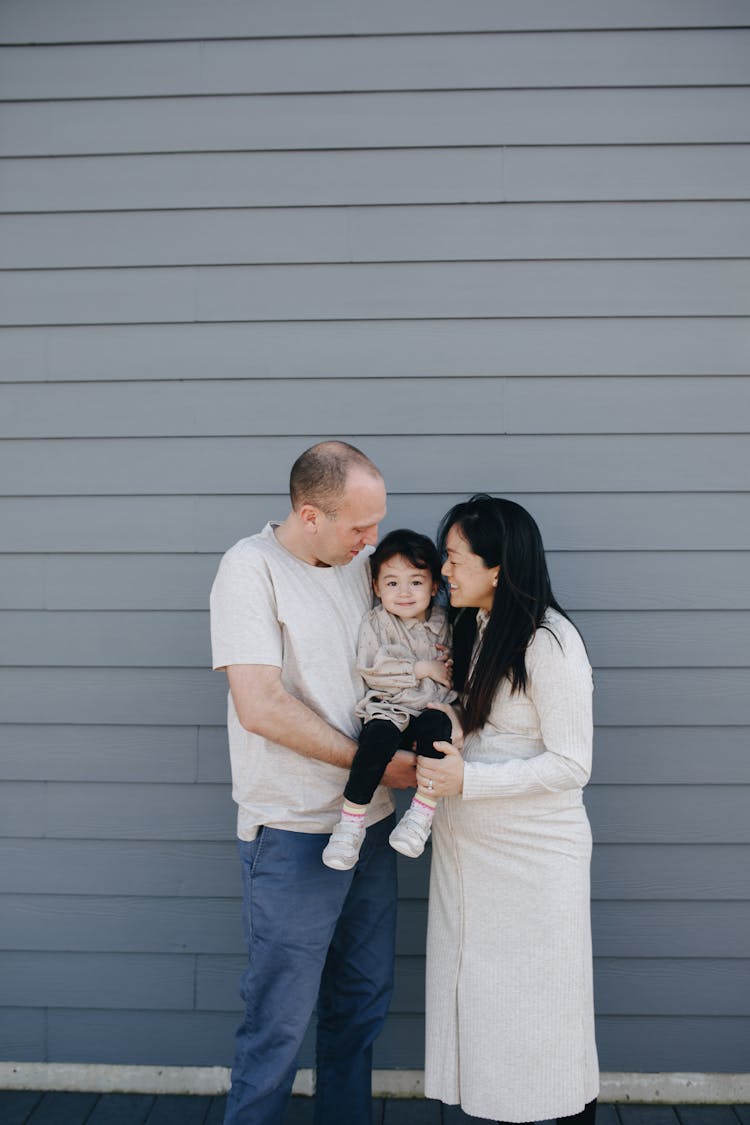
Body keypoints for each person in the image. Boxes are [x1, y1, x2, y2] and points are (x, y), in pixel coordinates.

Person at [209, 441, 417, 1125]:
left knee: (359, 1006)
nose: (372, 541)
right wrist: (371, 761)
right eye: (360, 526)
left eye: (377, 523)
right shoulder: (250, 570)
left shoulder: (359, 568)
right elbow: (260, 704)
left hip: (374, 824)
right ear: (309, 514)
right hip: (293, 831)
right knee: (278, 1024)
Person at [417, 494, 599, 1125]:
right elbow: (481, 729)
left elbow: (574, 764)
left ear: (497, 567)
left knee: (540, 1022)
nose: (444, 570)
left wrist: (469, 781)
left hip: (532, 864)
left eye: (453, 557)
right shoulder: (471, 629)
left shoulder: (550, 640)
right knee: (481, 1018)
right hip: (467, 858)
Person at [322, 528, 457, 870]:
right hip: (390, 707)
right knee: (375, 741)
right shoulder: (375, 623)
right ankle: (351, 823)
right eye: (392, 583)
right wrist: (423, 667)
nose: (405, 592)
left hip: (431, 706)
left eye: (416, 581)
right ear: (377, 587)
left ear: (434, 586)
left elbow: (459, 668)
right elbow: (373, 669)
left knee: (438, 732)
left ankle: (421, 814)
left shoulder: (446, 623)